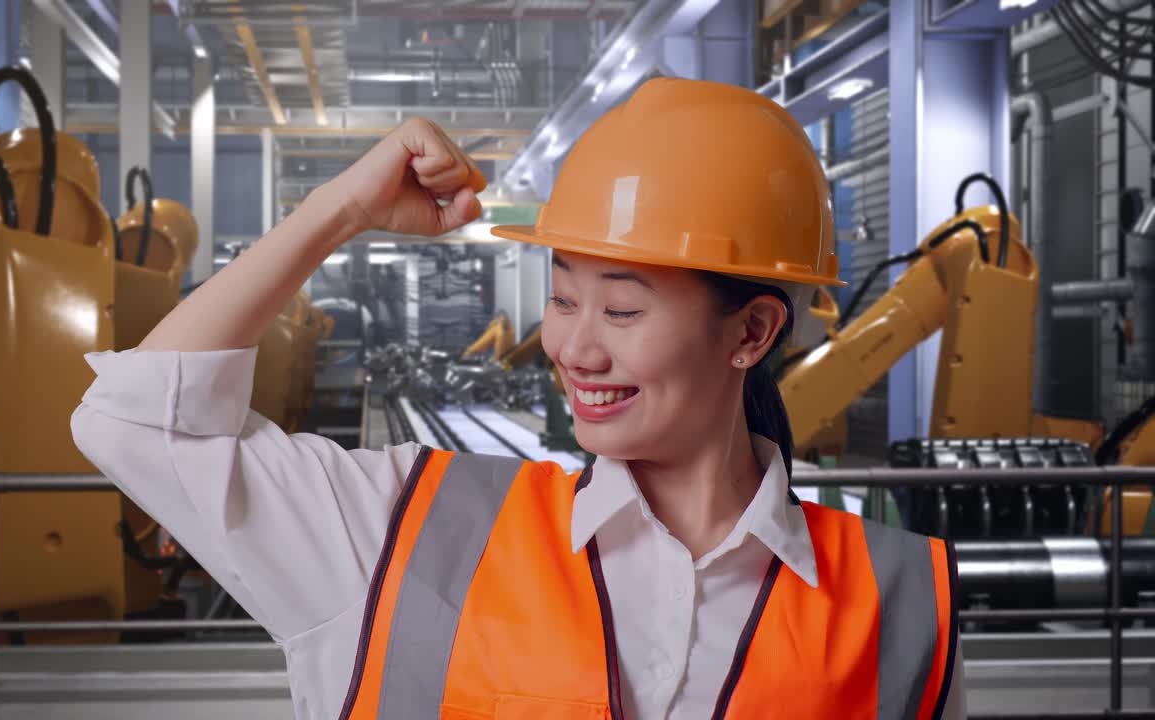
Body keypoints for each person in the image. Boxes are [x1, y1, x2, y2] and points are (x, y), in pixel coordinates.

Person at [71, 78, 965, 719]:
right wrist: (339, 210)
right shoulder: (401, 531)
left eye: (622, 309)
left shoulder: (900, 605)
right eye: (564, 298)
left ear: (752, 333)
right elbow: (136, 422)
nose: (573, 347)